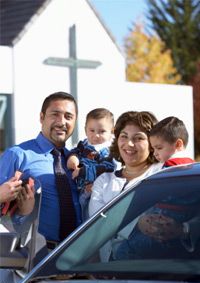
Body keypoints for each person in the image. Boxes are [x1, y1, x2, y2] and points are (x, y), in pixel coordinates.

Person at [0, 91, 81, 248]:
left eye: (68, 117)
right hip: (36, 257)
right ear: (42, 117)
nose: (61, 122)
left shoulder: (77, 161)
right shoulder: (17, 155)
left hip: (79, 256)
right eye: (55, 115)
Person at [115, 117, 198, 260]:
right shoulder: (194, 168)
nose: (155, 153)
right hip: (184, 223)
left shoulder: (168, 169)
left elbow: (149, 196)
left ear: (178, 144)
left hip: (162, 220)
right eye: (153, 149)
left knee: (124, 251)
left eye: (159, 148)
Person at [88, 111, 163, 260]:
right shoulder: (104, 181)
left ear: (153, 143)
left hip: (149, 274)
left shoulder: (162, 176)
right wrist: (136, 223)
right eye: (124, 136)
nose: (129, 144)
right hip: (106, 274)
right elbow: (97, 226)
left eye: (138, 138)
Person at [67, 108, 116, 220]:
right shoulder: (84, 144)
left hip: (96, 191)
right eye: (92, 130)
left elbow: (107, 168)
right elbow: (75, 150)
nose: (96, 135)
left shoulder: (108, 150)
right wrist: (72, 157)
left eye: (102, 131)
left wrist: (83, 172)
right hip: (81, 189)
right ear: (85, 130)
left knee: (91, 219)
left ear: (112, 132)